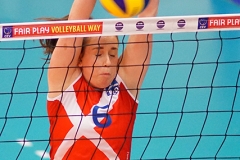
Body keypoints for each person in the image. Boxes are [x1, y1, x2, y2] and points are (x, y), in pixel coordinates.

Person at [41, 0, 159, 159]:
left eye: (113, 54)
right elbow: (76, 21)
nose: (108, 62)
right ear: (80, 58)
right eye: (98, 54)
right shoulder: (65, 83)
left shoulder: (126, 83)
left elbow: (147, 18)